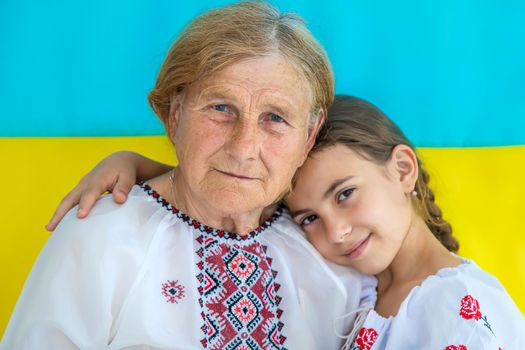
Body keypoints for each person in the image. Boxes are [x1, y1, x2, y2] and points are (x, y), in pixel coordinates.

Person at [0, 3, 368, 350]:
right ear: (175, 115)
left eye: (275, 118)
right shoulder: (102, 237)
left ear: (308, 135)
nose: (243, 148)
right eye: (221, 108)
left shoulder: (332, 246)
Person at [48, 96, 525, 349]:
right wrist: (136, 163)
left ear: (402, 170)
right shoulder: (360, 289)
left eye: (346, 194)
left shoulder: (462, 305)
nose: (334, 230)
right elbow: (235, 196)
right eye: (309, 216)